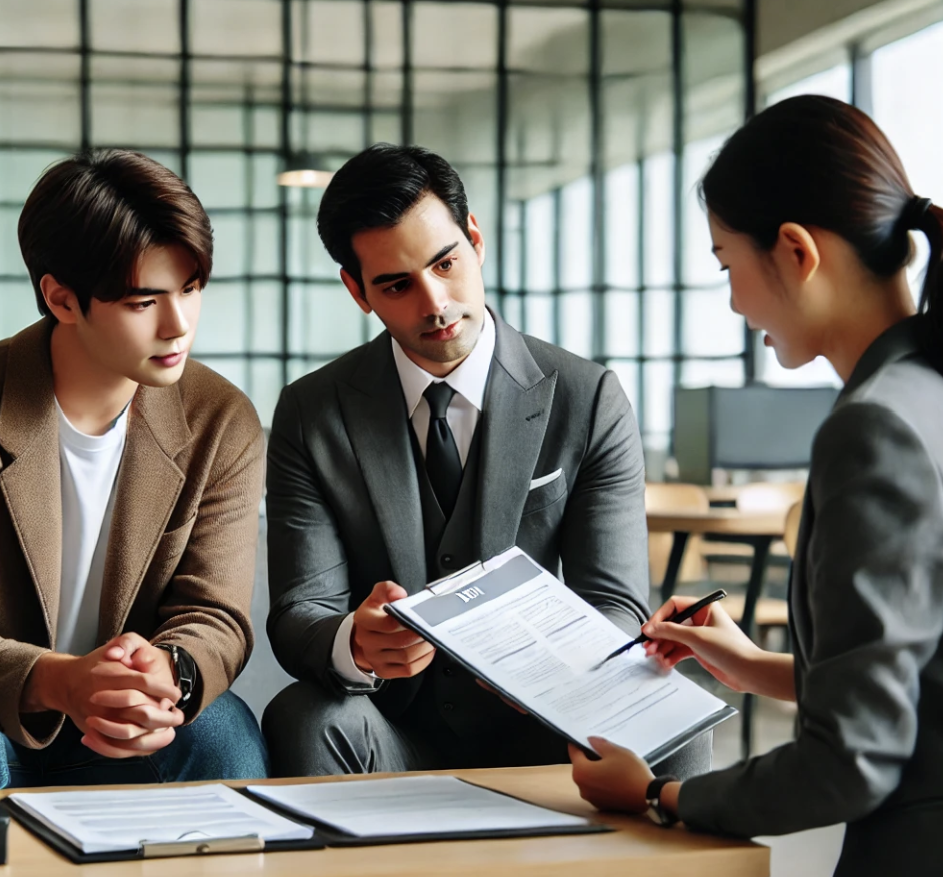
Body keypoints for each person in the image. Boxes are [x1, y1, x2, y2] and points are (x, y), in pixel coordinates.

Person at [569, 95, 943, 876]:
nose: (736, 302)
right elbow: (915, 680)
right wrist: (753, 666)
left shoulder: (872, 431)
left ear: (797, 252)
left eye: (727, 264)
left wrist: (658, 794)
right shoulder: (929, 391)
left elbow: (853, 759)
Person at [263, 143, 710, 778]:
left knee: (673, 720)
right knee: (307, 716)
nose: (434, 304)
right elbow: (300, 612)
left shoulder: (586, 397)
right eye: (396, 284)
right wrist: (355, 643)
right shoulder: (312, 413)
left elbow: (615, 600)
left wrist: (553, 664)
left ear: (474, 239)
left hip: (548, 727)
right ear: (357, 291)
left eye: (445, 264)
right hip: (392, 731)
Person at [0, 149, 268, 790]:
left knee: (223, 737)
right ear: (61, 298)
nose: (179, 326)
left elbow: (215, 611)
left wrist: (167, 672)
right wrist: (57, 680)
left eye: (190, 290)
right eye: (145, 302)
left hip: (132, 721)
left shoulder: (220, 420)